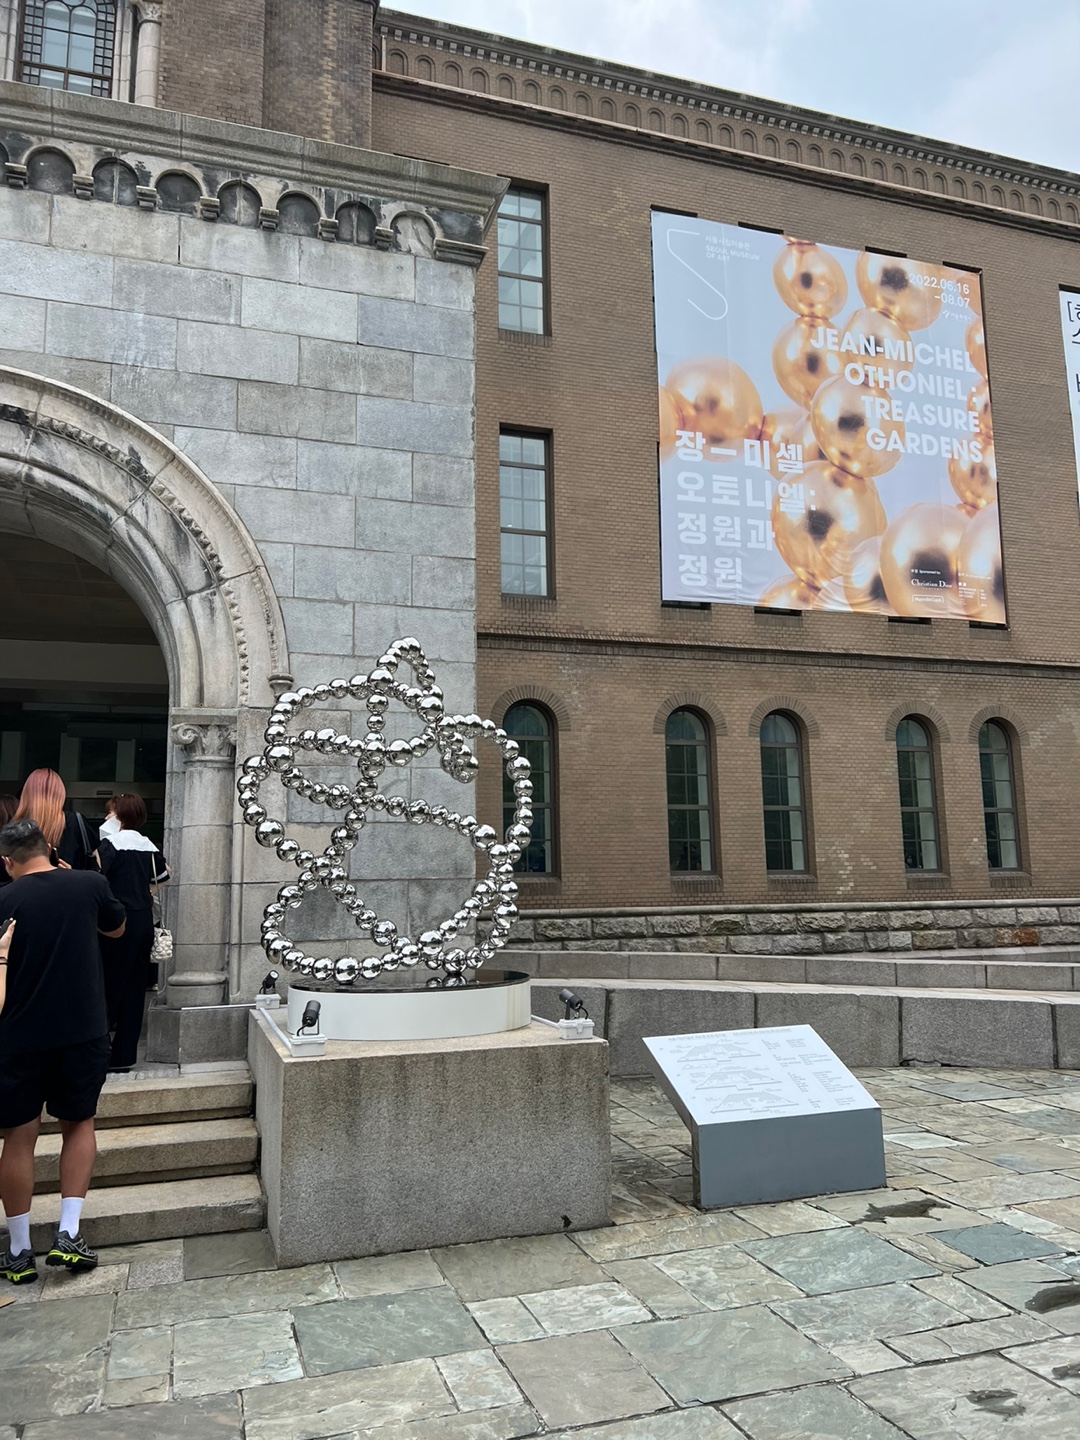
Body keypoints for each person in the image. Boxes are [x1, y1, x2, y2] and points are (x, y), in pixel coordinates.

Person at [0, 820, 125, 1284]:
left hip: (17, 1035)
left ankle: (18, 1251)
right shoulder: (88, 884)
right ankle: (68, 1234)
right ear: (50, 848)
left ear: (7, 861)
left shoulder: (3, 899)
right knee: (79, 1124)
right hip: (82, 1029)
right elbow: (117, 929)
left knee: (18, 1137)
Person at [96, 795, 169, 1073]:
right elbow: (164, 876)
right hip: (143, 920)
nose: (107, 818)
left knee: (108, 984)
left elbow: (97, 880)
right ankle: (124, 1056)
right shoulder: (148, 845)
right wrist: (145, 892)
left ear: (120, 815)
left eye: (111, 812)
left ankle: (99, 1051)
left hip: (116, 920)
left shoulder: (110, 844)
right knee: (135, 988)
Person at [14, 769, 97, 871]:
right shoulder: (75, 821)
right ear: (60, 793)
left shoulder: (15, 827)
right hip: (69, 880)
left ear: (26, 793)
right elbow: (95, 862)